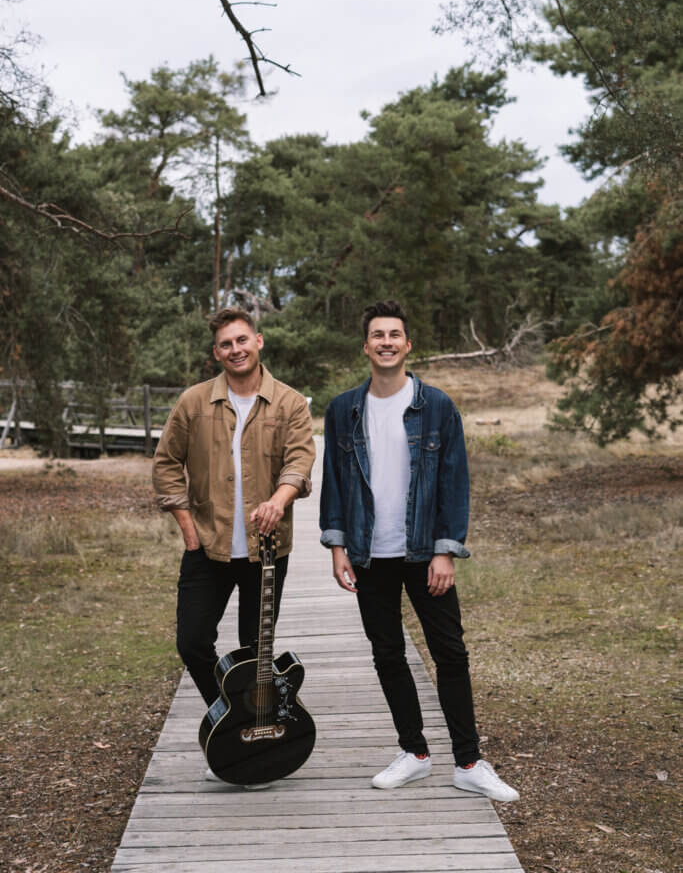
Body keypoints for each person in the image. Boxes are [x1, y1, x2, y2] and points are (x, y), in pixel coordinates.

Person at [320, 300, 518, 801]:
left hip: (423, 552)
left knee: (450, 652)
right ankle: (414, 752)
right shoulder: (343, 410)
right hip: (368, 554)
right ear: (365, 346)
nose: (386, 342)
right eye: (377, 335)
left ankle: (469, 761)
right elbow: (337, 486)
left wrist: (445, 550)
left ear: (408, 345)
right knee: (387, 653)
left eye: (395, 335)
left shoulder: (437, 406)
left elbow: (455, 483)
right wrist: (337, 546)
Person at [153, 307, 315, 721]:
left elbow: (299, 462)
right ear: (217, 353)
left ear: (258, 342)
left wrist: (278, 502)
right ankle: (229, 717)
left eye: (242, 340)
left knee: (253, 649)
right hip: (207, 544)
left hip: (268, 551)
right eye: (227, 344)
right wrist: (188, 528)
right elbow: (166, 464)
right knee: (192, 642)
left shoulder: (290, 403)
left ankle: (249, 732)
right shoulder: (193, 402)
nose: (236, 349)